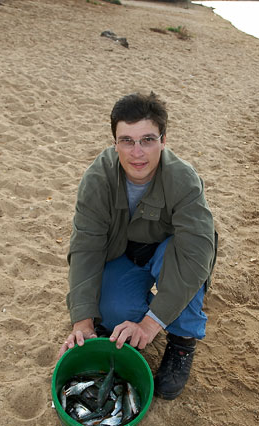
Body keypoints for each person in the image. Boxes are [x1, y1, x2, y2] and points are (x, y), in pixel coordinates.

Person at [58, 92, 217, 400]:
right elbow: (85, 249)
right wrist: (83, 320)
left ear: (163, 139)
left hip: (173, 254)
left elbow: (197, 255)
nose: (137, 153)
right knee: (112, 313)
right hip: (124, 254)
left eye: (147, 139)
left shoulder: (184, 179)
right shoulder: (97, 178)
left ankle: (182, 341)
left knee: (186, 266)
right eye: (127, 141)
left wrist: (151, 324)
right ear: (114, 143)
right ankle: (147, 307)